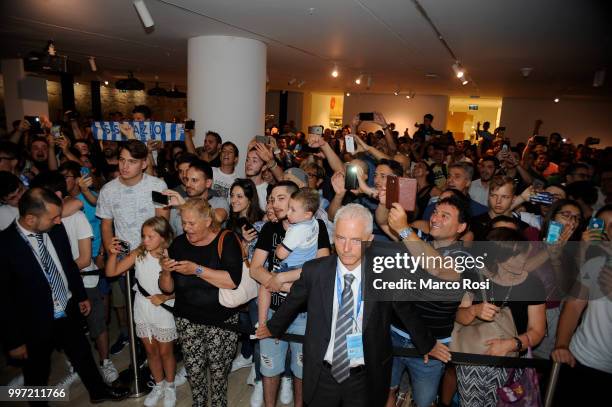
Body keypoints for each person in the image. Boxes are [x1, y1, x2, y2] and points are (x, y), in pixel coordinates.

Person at [256, 204, 449, 407]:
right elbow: (292, 302)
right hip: (322, 374)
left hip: (364, 376)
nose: (346, 248)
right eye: (340, 238)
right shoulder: (315, 271)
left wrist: (428, 343)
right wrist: (271, 327)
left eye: (356, 240)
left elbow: (406, 311)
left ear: (369, 240)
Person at [0, 187, 128, 403]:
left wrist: (80, 296)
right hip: (33, 322)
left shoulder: (56, 231)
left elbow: (67, 266)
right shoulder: (4, 246)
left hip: (67, 308)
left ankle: (98, 392)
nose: (59, 221)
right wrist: (14, 341)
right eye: (53, 217)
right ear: (30, 219)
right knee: (37, 371)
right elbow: (3, 299)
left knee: (83, 355)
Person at [250, 181, 331, 407]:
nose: (275, 204)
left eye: (281, 198)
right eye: (272, 199)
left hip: (306, 313)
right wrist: (276, 283)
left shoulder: (318, 227)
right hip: (273, 310)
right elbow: (255, 268)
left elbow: (322, 267)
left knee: (304, 371)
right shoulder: (270, 229)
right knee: (269, 367)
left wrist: (283, 283)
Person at [159, 198, 243, 407]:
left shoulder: (227, 239)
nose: (186, 228)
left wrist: (197, 269)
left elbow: (232, 281)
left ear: (207, 221)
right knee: (194, 370)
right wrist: (166, 271)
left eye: (192, 223)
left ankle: (218, 403)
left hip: (220, 321)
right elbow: (167, 288)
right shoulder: (178, 243)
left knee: (218, 371)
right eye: (184, 222)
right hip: (187, 319)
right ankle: (198, 403)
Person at [455, 228, 546, 406]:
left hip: (511, 361)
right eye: (515, 255)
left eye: (524, 254)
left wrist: (511, 344)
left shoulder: (532, 284)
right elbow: (459, 315)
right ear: (498, 256)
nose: (522, 260)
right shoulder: (475, 275)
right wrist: (474, 311)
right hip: (473, 360)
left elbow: (537, 330)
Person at [96, 139, 169, 354]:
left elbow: (162, 223)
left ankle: (158, 352)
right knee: (129, 306)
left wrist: (145, 250)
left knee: (155, 307)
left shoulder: (157, 186)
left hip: (152, 257)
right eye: (121, 160)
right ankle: (136, 345)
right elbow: (106, 224)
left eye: (132, 161)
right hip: (123, 260)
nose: (124, 166)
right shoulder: (108, 190)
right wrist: (111, 249)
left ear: (144, 163)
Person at [106, 216, 178, 407]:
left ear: (163, 237)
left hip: (163, 308)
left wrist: (165, 297)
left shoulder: (172, 255)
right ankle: (159, 384)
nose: (145, 240)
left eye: (150, 236)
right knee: (150, 351)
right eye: (143, 236)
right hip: (142, 306)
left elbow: (185, 287)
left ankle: (170, 386)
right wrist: (112, 254)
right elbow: (111, 272)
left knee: (166, 352)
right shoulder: (138, 253)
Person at [552, 205, 612, 405]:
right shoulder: (596, 263)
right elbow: (574, 305)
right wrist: (562, 344)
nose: (608, 231)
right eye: (603, 225)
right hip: (580, 357)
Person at [258, 188, 320, 330]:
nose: (288, 212)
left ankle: (261, 324)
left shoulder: (296, 230)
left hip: (291, 267)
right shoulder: (314, 222)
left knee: (265, 286)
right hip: (304, 267)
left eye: (292, 210)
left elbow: (280, 254)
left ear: (307, 214)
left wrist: (280, 244)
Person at [164, 159, 229, 235]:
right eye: (187, 179)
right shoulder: (178, 203)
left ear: (208, 183)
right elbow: (172, 236)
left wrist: (184, 205)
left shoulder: (219, 202)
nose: (188, 184)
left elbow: (216, 219)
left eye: (194, 180)